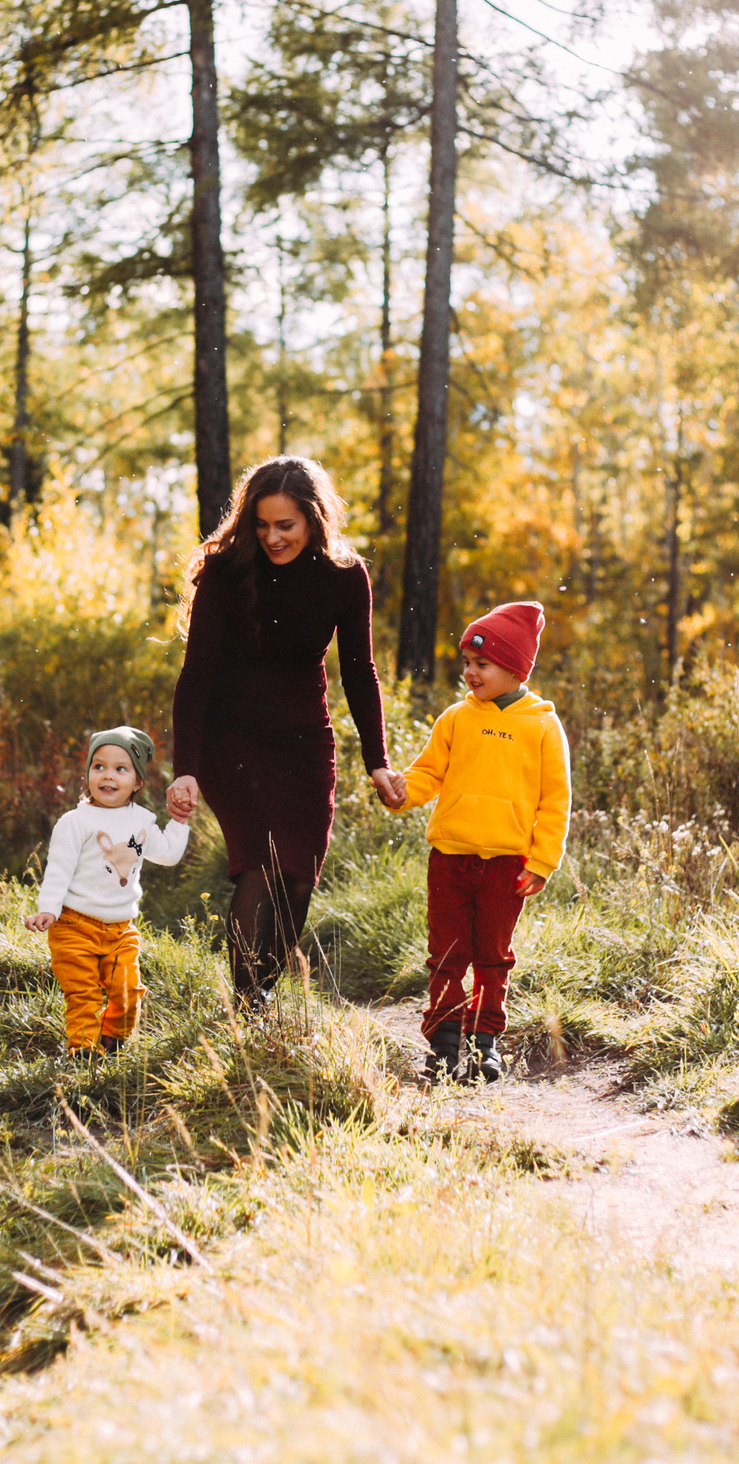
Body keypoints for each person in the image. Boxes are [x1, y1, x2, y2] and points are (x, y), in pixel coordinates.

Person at [168, 457, 398, 1005]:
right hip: (231, 739)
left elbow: (360, 672)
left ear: (314, 520)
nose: (272, 537)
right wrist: (187, 769)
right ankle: (249, 1009)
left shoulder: (345, 577)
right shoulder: (226, 571)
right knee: (261, 861)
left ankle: (263, 998)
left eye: (286, 526)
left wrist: (378, 760)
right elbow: (195, 676)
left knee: (298, 874)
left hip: (304, 741)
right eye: (262, 524)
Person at [385, 601, 571, 1084]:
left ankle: (483, 1043)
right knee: (446, 954)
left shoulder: (543, 726)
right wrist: (402, 792)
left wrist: (543, 861)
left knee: (492, 958)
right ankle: (444, 1043)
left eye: (481, 663)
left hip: (507, 864)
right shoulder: (455, 719)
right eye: (466, 662)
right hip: (449, 858)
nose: (469, 672)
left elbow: (555, 801)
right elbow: (428, 773)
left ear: (513, 668)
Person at [25, 726, 195, 1056]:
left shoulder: (143, 821)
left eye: (121, 769)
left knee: (128, 992)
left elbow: (169, 855)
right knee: (83, 995)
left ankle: (112, 1039)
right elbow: (58, 870)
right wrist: (48, 909)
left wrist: (180, 822)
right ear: (88, 772)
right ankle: (82, 1053)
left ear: (138, 781)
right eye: (98, 766)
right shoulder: (75, 821)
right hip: (74, 926)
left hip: (120, 931)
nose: (108, 776)